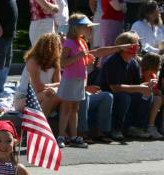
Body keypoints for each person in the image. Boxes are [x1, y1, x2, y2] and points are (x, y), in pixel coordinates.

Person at [56, 14, 134, 148]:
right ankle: (61, 136)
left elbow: (96, 53)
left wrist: (87, 59)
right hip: (70, 80)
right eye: (87, 27)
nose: (90, 30)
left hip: (80, 79)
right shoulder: (69, 42)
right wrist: (78, 57)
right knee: (67, 108)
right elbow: (63, 63)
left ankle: (74, 136)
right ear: (77, 28)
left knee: (75, 108)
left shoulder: (82, 42)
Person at [99, 31, 153, 140]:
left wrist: (148, 85)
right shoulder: (113, 61)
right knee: (124, 97)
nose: (139, 46)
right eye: (136, 44)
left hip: (123, 92)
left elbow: (137, 85)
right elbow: (115, 88)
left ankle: (136, 128)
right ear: (126, 46)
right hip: (108, 94)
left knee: (148, 94)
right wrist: (139, 88)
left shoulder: (133, 62)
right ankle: (116, 129)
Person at [14, 33, 62, 117]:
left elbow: (60, 84)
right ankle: (39, 124)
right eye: (58, 45)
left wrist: (53, 87)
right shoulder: (33, 61)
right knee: (50, 94)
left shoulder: (55, 62)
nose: (60, 47)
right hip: (24, 98)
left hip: (44, 93)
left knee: (63, 95)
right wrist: (53, 87)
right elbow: (38, 87)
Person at [140, 52, 163, 138]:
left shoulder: (153, 75)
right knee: (157, 99)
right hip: (142, 96)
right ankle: (150, 126)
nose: (160, 66)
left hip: (151, 95)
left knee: (159, 97)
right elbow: (139, 86)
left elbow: (156, 89)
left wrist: (158, 91)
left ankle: (159, 125)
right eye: (159, 64)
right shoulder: (141, 73)